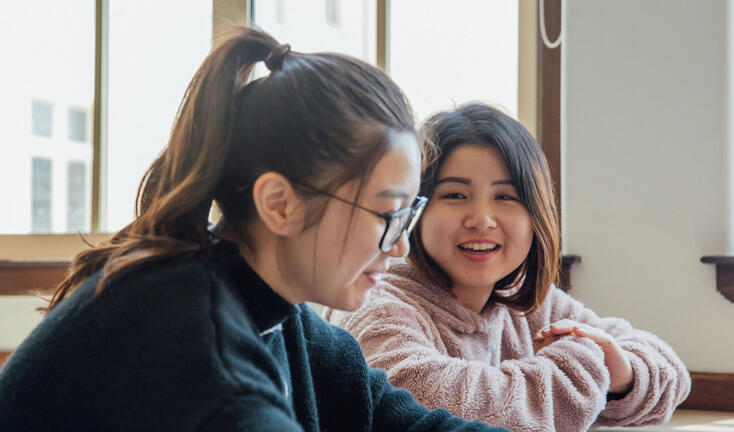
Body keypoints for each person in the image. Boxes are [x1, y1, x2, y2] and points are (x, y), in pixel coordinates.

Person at [0, 29, 509, 432]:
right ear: (279, 204)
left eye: (407, 215)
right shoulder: (202, 356)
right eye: (386, 214)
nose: (400, 246)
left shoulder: (272, 312)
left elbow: (393, 420)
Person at [326, 103, 691, 432]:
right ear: (415, 209)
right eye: (455, 195)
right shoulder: (375, 303)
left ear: (536, 215)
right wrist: (585, 363)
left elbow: (671, 373)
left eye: (505, 196)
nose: (482, 219)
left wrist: (621, 371)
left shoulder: (524, 302)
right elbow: (436, 407)